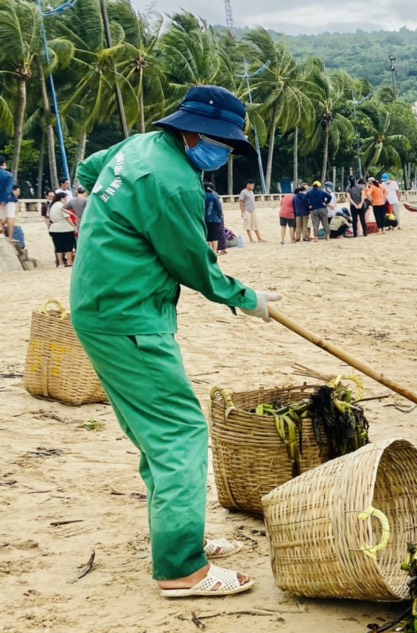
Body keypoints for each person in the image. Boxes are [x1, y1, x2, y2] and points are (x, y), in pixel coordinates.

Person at [70, 84, 277, 598]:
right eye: (224, 144)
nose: (225, 154)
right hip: (129, 314)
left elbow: (90, 173)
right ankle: (182, 569)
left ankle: (182, 532)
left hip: (101, 303)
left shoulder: (135, 148)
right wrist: (247, 298)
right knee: (179, 433)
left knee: (154, 432)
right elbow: (193, 264)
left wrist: (107, 223)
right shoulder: (173, 182)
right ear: (194, 132)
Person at [47, 190, 77, 268]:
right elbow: (67, 218)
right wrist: (74, 226)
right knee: (68, 246)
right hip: (65, 228)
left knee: (58, 247)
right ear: (62, 199)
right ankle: (69, 262)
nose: (66, 200)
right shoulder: (61, 206)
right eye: (65, 199)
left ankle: (60, 263)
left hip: (54, 229)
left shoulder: (52, 206)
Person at [204, 182, 226, 255]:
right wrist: (220, 216)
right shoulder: (215, 195)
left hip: (206, 218)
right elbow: (218, 207)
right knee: (215, 235)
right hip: (215, 218)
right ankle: (215, 250)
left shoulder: (203, 195)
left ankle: (210, 250)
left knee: (208, 235)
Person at [0, 156, 15, 238]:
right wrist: (4, 201)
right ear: (4, 163)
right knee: (10, 216)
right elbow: (8, 189)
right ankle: (10, 237)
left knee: (0, 217)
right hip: (9, 199)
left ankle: (1, 236)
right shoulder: (9, 175)